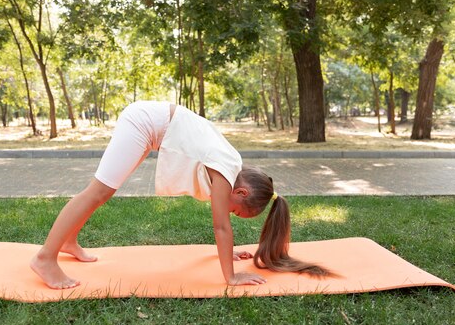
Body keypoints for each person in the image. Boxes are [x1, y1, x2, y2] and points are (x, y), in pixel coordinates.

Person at [30, 101, 330, 289]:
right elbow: (220, 227)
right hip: (143, 122)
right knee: (99, 191)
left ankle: (68, 241)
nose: (230, 214)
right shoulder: (226, 170)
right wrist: (231, 276)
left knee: (103, 193)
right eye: (237, 211)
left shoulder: (229, 166)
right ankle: (45, 257)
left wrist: (229, 251)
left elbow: (223, 227)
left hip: (151, 126)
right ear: (241, 191)